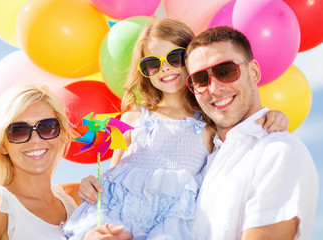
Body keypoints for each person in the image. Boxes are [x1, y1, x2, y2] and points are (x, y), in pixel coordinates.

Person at [64, 19, 289, 240]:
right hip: (119, 217)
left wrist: (273, 116)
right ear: (144, 71)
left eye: (175, 58)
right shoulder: (132, 119)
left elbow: (244, 133)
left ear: (190, 59)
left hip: (170, 222)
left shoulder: (211, 123)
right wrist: (90, 185)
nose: (165, 69)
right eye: (153, 64)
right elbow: (112, 176)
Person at [185, 26, 319, 240]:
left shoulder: (279, 153)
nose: (214, 88)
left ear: (254, 72)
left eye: (225, 71)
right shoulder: (200, 161)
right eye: (200, 79)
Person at [0, 85, 132, 240]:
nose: (35, 140)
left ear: (60, 134)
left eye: (47, 127)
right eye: (18, 130)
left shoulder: (77, 196)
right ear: (2, 145)